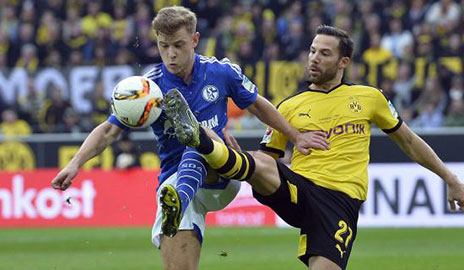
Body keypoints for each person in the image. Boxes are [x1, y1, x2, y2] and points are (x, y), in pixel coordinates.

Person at [164, 25, 464, 270]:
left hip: (340, 203)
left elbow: (408, 141)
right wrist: (235, 158)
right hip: (300, 190)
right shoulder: (288, 107)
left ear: (343, 62)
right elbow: (266, 161)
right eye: (312, 51)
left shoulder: (369, 97)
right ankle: (207, 143)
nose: (314, 58)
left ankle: (213, 148)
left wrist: (451, 178)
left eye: (324, 53)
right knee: (262, 163)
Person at [51, 6, 327, 270]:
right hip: (173, 182)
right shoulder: (150, 86)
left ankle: (183, 189)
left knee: (199, 137)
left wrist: (296, 136)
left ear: (195, 40)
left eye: (178, 45)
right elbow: (110, 129)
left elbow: (256, 104)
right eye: (163, 46)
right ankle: (179, 201)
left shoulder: (220, 72)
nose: (170, 54)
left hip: (220, 173)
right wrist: (75, 164)